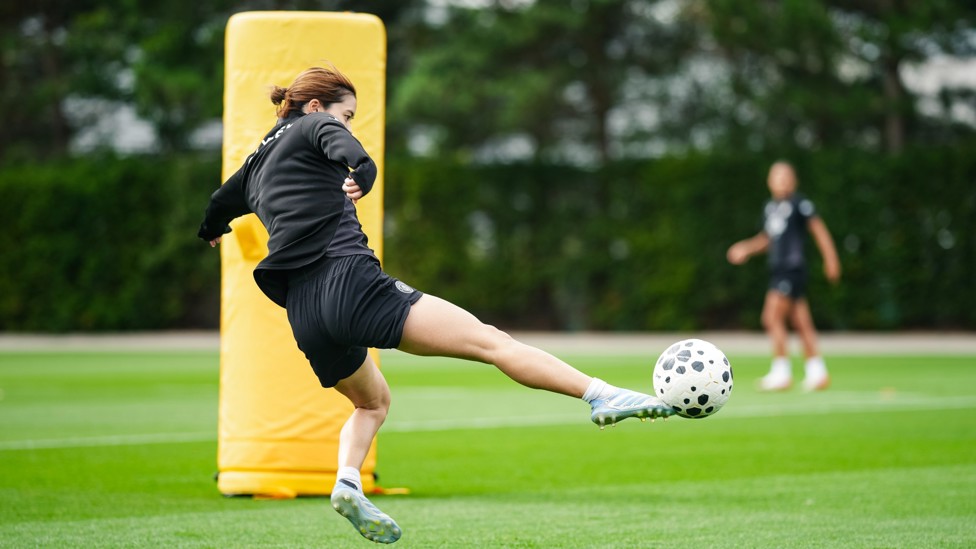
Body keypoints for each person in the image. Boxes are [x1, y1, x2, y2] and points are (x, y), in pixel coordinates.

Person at [197, 66, 673, 545]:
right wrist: (363, 172)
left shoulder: (255, 162)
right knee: (491, 342)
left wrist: (212, 230)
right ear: (317, 106)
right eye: (348, 114)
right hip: (350, 282)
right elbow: (349, 152)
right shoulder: (315, 123)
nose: (347, 123)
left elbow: (219, 203)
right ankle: (599, 394)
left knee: (372, 403)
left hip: (304, 314)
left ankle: (347, 482)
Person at [726, 161, 841, 392]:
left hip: (792, 268)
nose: (782, 181)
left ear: (794, 180)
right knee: (801, 322)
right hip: (778, 269)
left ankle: (781, 372)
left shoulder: (800, 204)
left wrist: (831, 259)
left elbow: (819, 231)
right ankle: (817, 372)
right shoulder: (770, 207)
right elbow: (768, 238)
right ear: (769, 181)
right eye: (777, 176)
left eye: (786, 176)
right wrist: (746, 248)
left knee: (771, 318)